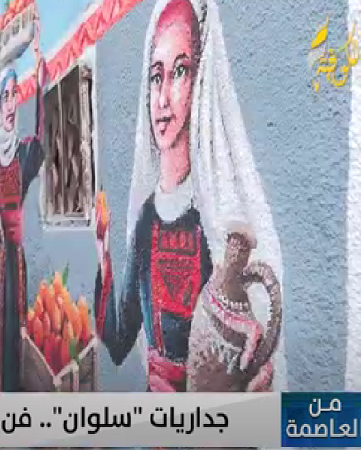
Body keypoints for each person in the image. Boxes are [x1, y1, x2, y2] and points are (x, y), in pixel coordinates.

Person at [93, 0, 286, 394]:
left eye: (180, 71)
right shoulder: (146, 221)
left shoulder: (215, 221)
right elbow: (118, 340)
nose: (163, 98)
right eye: (156, 76)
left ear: (200, 82)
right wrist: (103, 255)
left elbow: (247, 354)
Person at [0, 14, 47, 393]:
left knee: (22, 323)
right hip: (4, 256)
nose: (12, 102)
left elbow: (43, 137)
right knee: (6, 321)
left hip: (21, 253)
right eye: (5, 96)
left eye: (15, 94)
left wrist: (42, 79)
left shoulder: (24, 150)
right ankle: (5, 389)